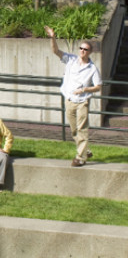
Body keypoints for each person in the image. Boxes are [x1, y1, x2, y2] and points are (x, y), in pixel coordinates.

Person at [45, 26, 102, 167]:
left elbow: (99, 86)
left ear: (90, 52)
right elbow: (55, 51)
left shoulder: (92, 69)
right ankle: (86, 150)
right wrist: (52, 37)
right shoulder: (70, 59)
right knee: (74, 130)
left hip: (82, 101)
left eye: (85, 49)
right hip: (69, 100)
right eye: (81, 48)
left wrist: (85, 89)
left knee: (82, 128)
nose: (82, 51)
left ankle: (80, 158)